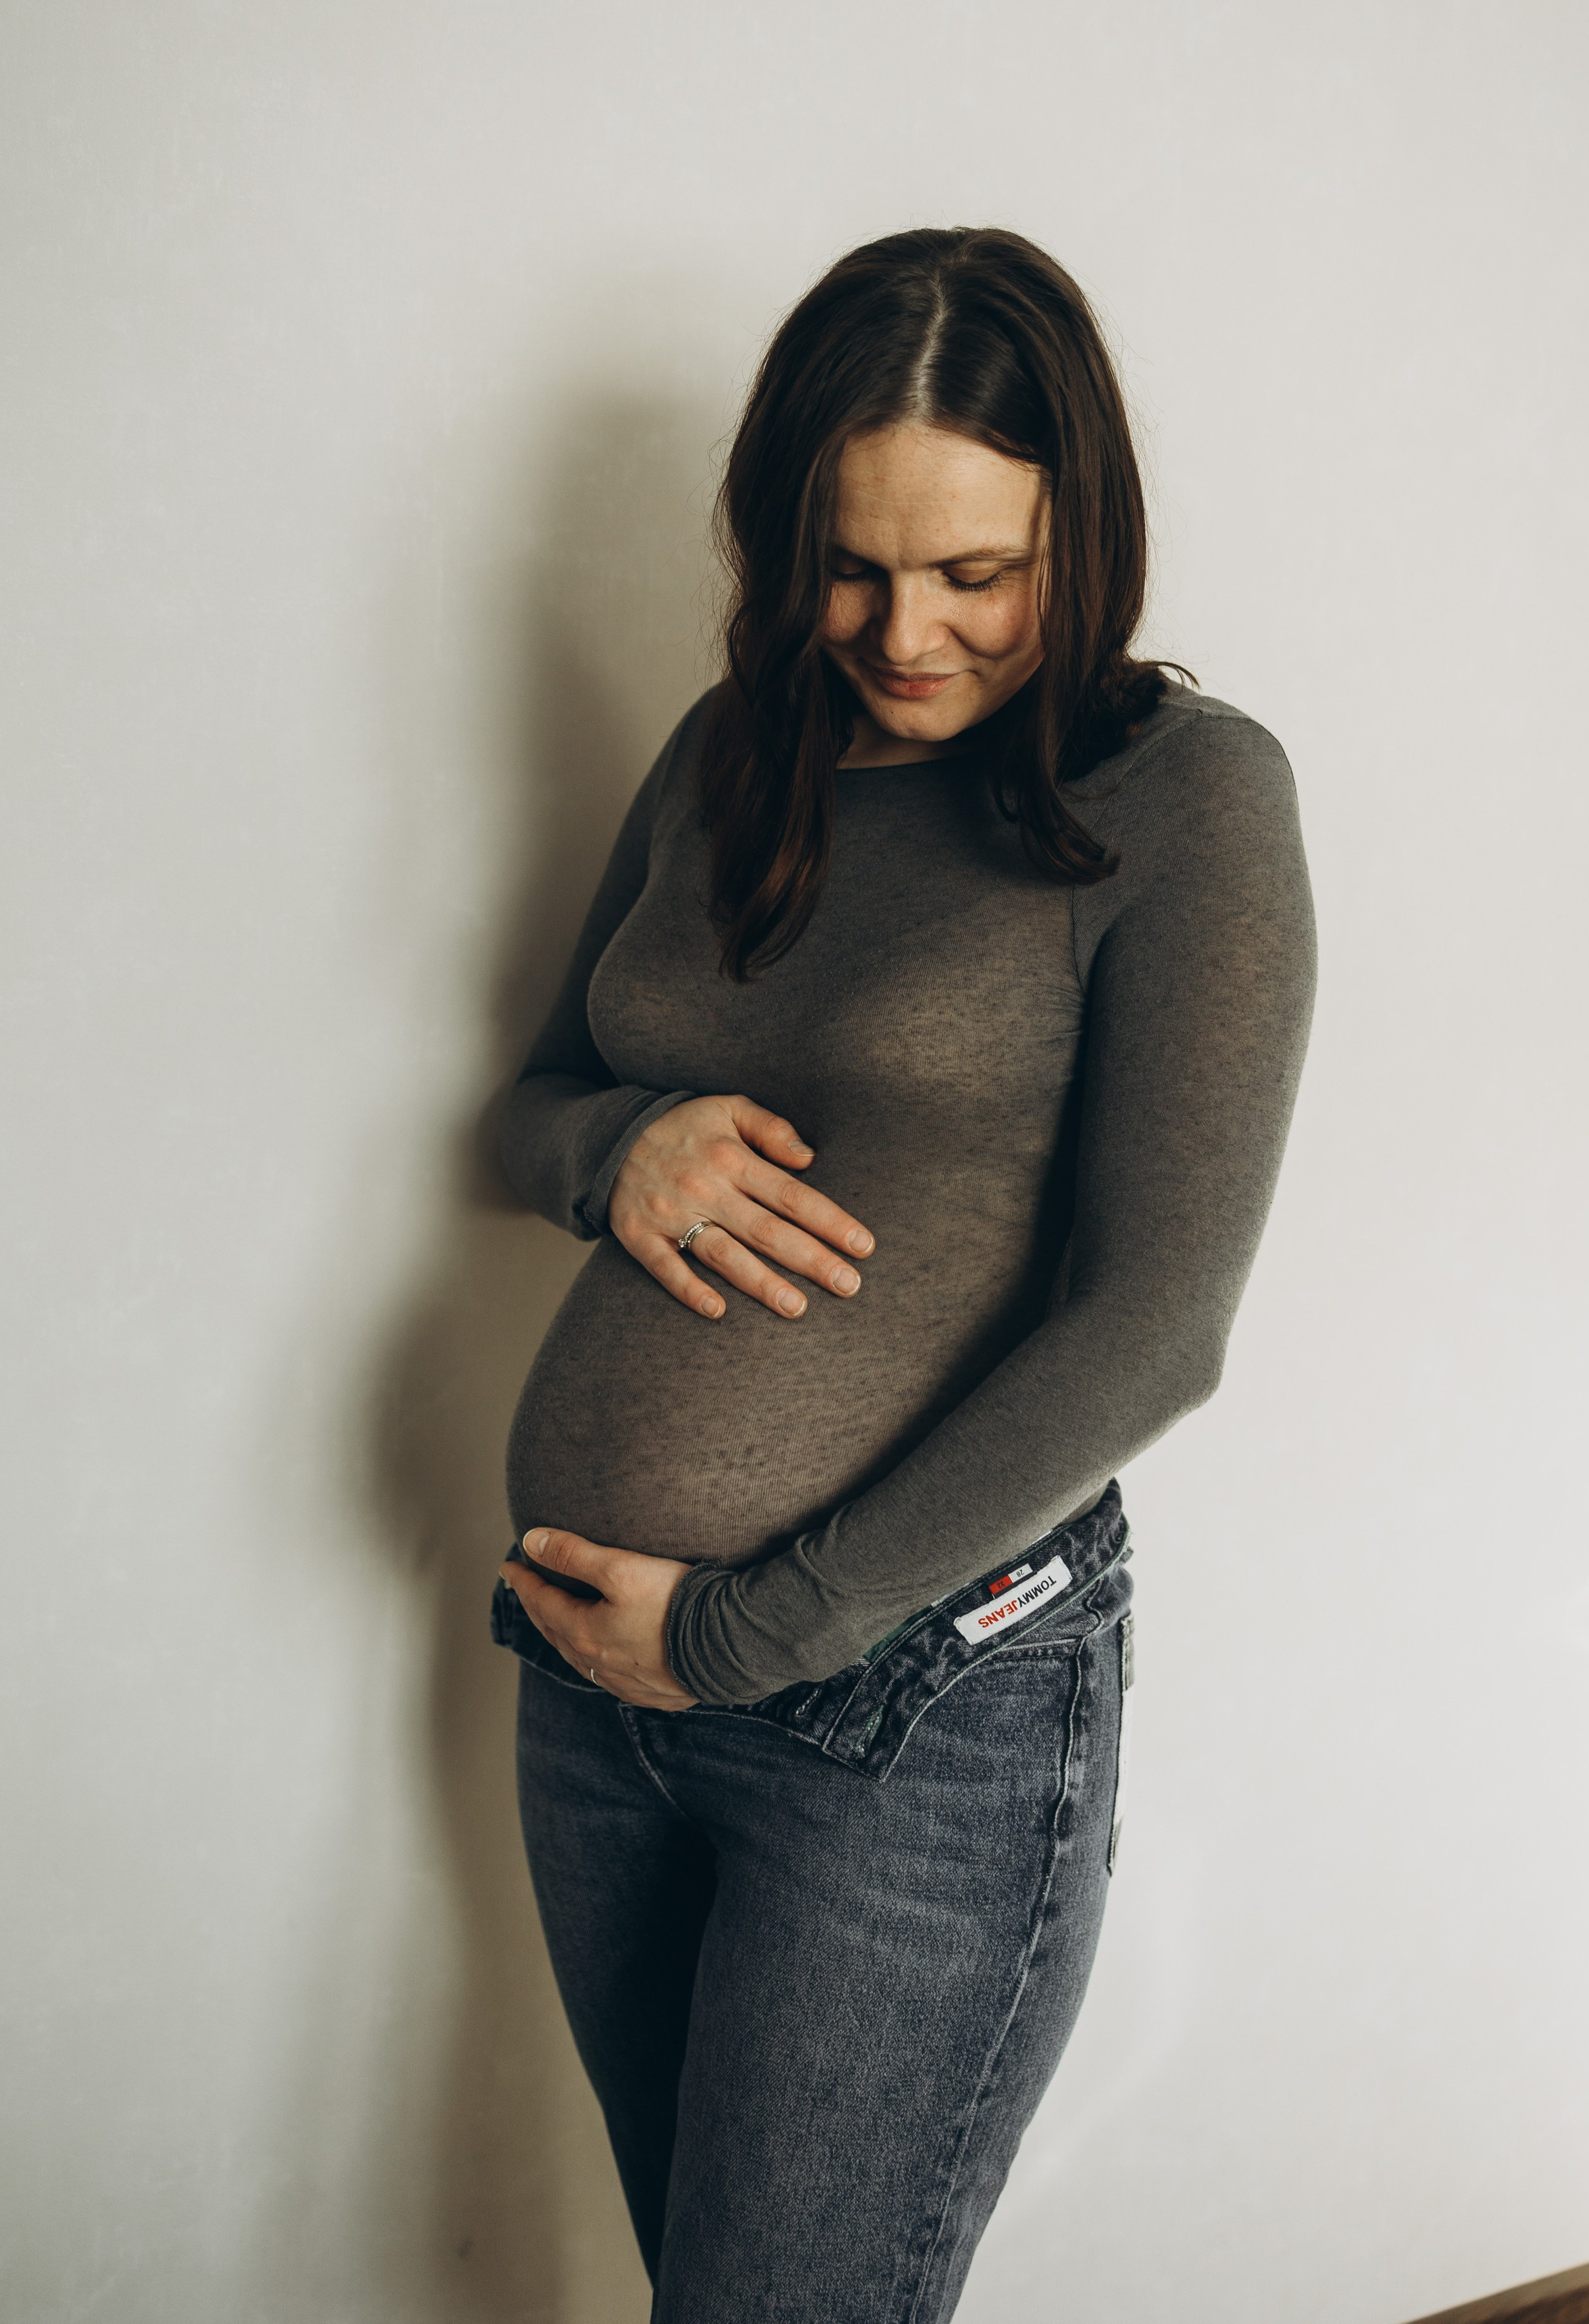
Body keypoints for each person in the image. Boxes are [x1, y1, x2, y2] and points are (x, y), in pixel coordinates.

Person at [491, 225, 1316, 2321]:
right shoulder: (733, 751)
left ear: (1085, 529)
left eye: (979, 571)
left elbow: (1156, 1328)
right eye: (852, 567)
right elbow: (532, 1093)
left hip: (913, 1700)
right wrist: (618, 1146)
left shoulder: (1181, 799)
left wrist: (756, 1633)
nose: (906, 632)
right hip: (599, 1693)